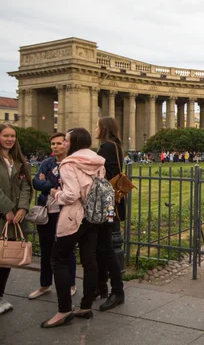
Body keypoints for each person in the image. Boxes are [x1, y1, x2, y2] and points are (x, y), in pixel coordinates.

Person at [42, 128, 105, 328]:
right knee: (90, 260)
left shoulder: (69, 164)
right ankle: (86, 306)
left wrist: (55, 194)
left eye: (67, 140)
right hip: (93, 216)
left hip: (75, 216)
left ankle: (64, 310)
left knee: (58, 258)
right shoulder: (97, 160)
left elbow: (71, 195)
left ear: (74, 142)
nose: (64, 143)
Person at [29, 132, 77, 301]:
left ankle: (71, 283)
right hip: (46, 212)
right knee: (45, 249)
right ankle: (44, 284)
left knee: (66, 250)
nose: (55, 146)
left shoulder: (71, 163)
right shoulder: (47, 163)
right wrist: (51, 187)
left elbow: (68, 185)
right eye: (52, 144)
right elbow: (36, 182)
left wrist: (48, 182)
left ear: (66, 144)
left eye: (58, 143)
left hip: (64, 212)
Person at [0, 123, 32, 315]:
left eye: (13, 136)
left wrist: (22, 208)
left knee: (6, 259)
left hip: (15, 218)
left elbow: (26, 185)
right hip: (3, 215)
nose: (10, 139)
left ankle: (0, 295)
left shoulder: (18, 159)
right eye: (6, 136)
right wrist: (8, 209)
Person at [94, 117, 125, 311]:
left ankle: (117, 291)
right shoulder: (116, 145)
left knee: (106, 248)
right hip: (111, 202)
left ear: (104, 129)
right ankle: (102, 287)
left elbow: (104, 176)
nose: (95, 129)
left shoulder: (107, 146)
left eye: (97, 126)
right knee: (102, 246)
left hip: (107, 204)